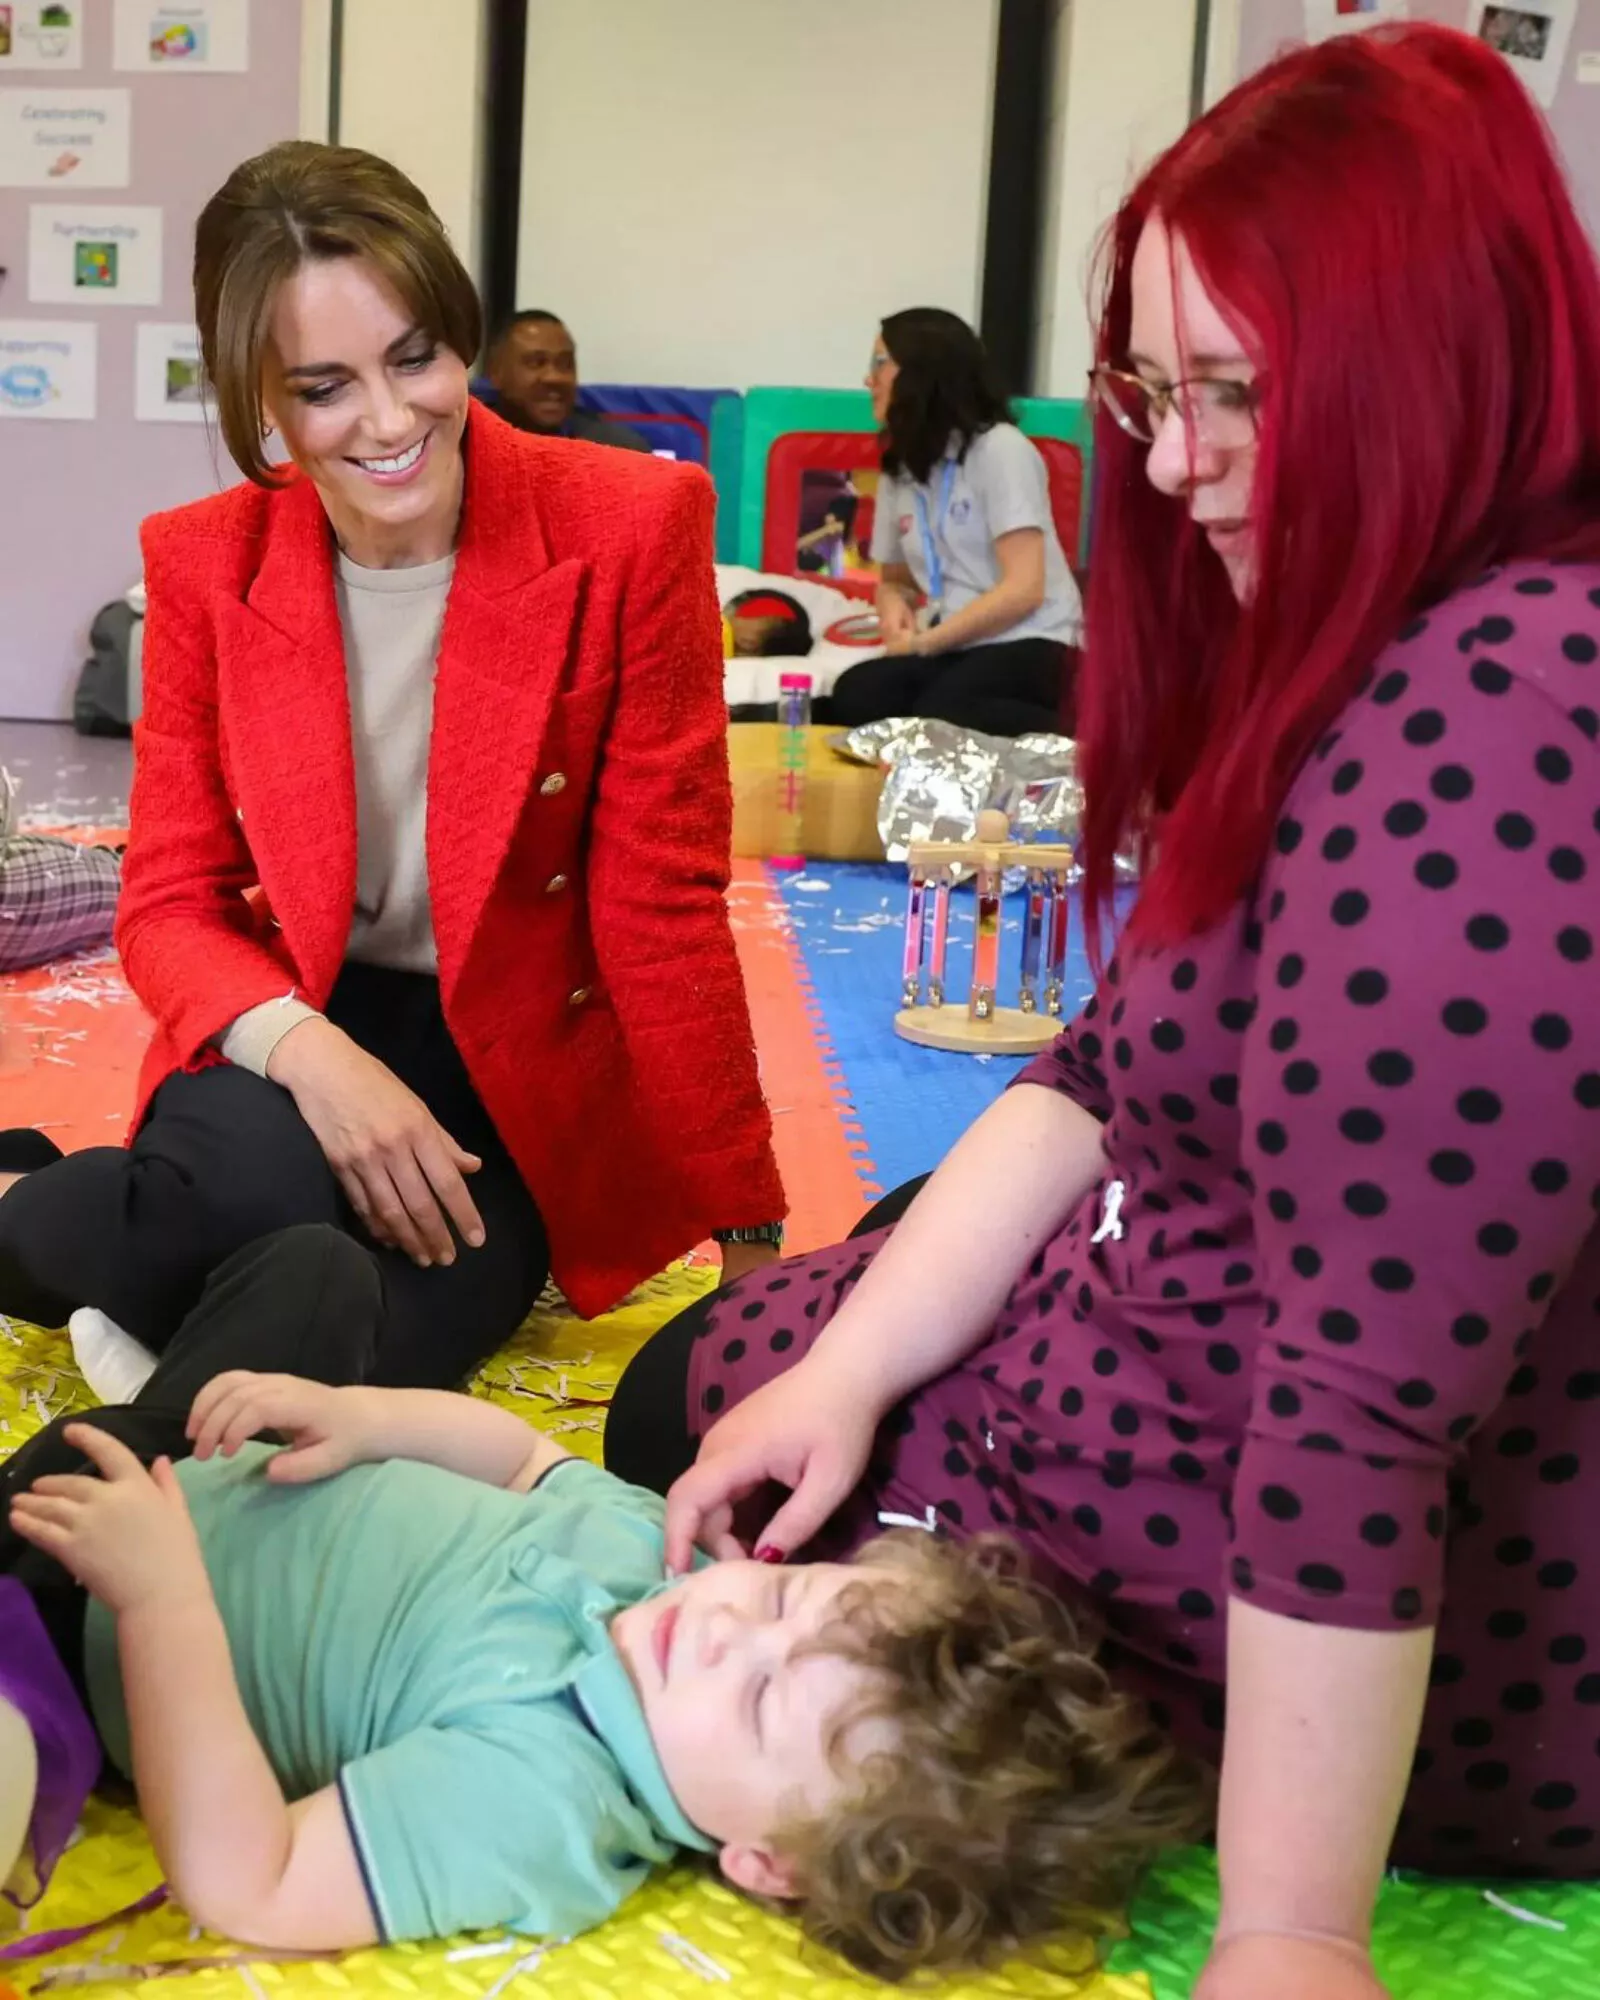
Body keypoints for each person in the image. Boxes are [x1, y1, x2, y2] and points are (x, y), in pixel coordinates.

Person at [604, 25, 1600, 2000]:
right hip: (1112, 1384)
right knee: (748, 1375)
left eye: (1235, 393)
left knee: (676, 1407)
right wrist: (847, 1369)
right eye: (1153, 389)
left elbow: (1356, 1420)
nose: (1164, 460)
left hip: (1231, 1555)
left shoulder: (1493, 717)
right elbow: (1096, 1074)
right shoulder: (1363, 630)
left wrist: (1291, 1930)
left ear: (1430, 360)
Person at [0, 141, 785, 1397]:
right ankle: (35, 1209)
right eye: (325, 386)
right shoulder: (204, 559)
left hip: (507, 1074)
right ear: (260, 398)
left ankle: (143, 1329)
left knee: (386, 1337)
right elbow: (169, 903)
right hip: (293, 1020)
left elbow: (661, 907)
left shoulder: (634, 524)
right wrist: (321, 1061)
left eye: (415, 358)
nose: (388, 420)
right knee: (233, 1207)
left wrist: (749, 1234)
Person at [0, 1225, 1208, 1972]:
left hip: (74, 1591)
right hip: (204, 1456)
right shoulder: (672, 1569)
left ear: (764, 1863)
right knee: (315, 1263)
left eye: (761, 1698)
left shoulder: (545, 1798)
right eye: (788, 1600)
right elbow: (526, 1456)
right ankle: (136, 1347)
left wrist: (159, 1601)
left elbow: (249, 1880)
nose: (730, 1627)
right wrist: (360, 1415)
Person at [828, 308, 1083, 738]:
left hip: (1037, 640)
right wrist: (892, 606)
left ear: (922, 373)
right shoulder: (900, 468)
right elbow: (895, 580)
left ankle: (1096, 743)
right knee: (858, 692)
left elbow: (1025, 589)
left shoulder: (999, 449)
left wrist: (925, 643)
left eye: (880, 363)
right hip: (958, 644)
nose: (869, 380)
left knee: (946, 709)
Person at [480, 310, 651, 452]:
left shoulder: (617, 449)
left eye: (565, 364)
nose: (555, 377)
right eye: (536, 363)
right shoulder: (471, 443)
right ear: (495, 372)